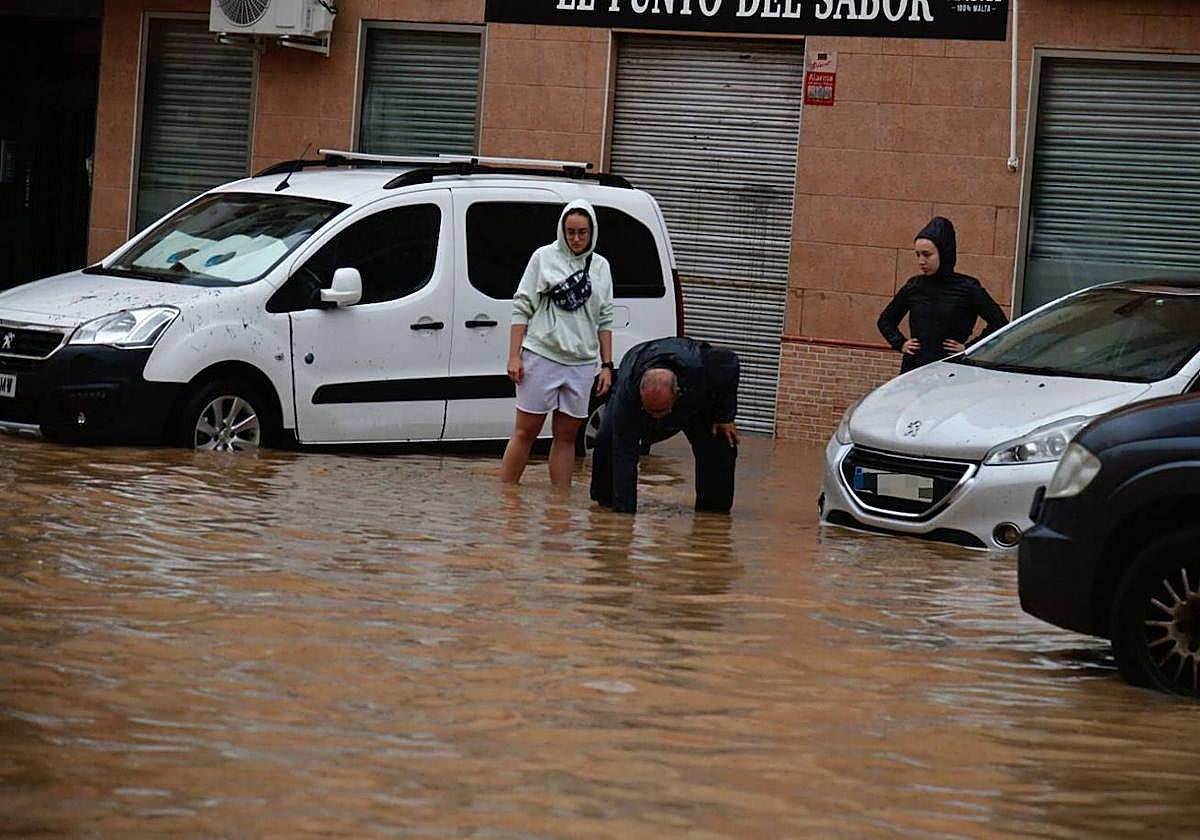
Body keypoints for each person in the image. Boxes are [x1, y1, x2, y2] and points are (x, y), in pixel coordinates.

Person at [499, 199, 614, 487]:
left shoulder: (601, 267)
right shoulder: (543, 257)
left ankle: (559, 510)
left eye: (582, 233)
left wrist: (607, 365)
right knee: (526, 432)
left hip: (581, 364)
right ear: (562, 230)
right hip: (541, 356)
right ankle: (506, 501)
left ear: (592, 232)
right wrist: (514, 356)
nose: (576, 239)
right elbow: (521, 306)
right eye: (571, 232)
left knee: (566, 438)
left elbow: (605, 320)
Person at [589, 336, 740, 514]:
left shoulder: (700, 365)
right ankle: (607, 502)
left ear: (677, 393)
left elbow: (731, 362)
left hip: (696, 400)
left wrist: (725, 416)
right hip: (636, 379)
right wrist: (624, 520)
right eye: (651, 411)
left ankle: (713, 513)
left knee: (722, 440)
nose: (656, 418)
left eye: (660, 411)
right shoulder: (628, 391)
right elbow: (624, 452)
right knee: (608, 440)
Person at [877, 216, 1009, 374]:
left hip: (952, 370)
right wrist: (901, 343)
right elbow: (886, 320)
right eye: (917, 255)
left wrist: (970, 349)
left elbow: (999, 323)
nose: (921, 261)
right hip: (915, 369)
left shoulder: (967, 288)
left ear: (943, 252)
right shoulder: (914, 286)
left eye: (927, 255)